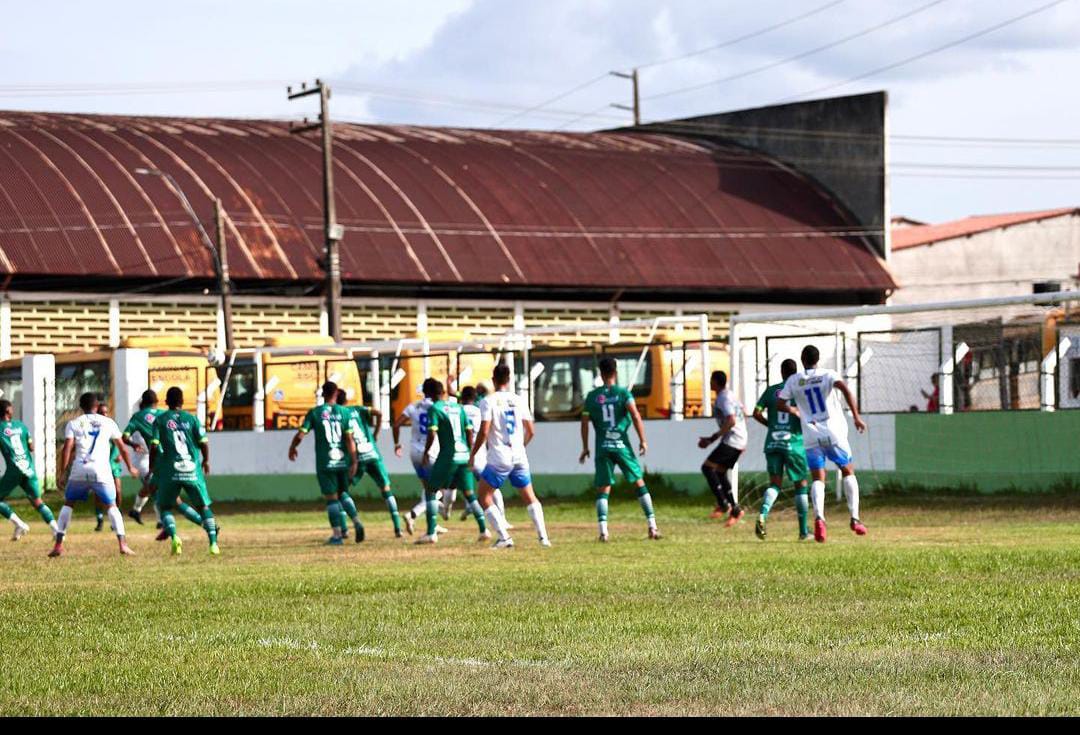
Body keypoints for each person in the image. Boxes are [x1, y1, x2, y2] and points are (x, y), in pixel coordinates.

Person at [777, 345, 868, 543]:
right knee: (847, 470)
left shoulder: (794, 380)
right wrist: (856, 417)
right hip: (833, 432)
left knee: (818, 478)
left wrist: (795, 411)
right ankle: (855, 518)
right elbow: (845, 390)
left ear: (802, 360)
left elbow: (780, 402)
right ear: (818, 359)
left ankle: (819, 518)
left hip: (811, 435)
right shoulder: (828, 375)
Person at [469, 364, 549, 548]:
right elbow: (531, 430)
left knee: (484, 496)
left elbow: (484, 431)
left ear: (493, 380)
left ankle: (504, 538)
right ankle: (543, 538)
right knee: (530, 496)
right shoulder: (519, 400)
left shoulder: (488, 401)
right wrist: (521, 446)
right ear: (509, 379)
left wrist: (474, 454)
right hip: (519, 454)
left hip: (499, 456)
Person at [580, 357, 660, 542]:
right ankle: (652, 527)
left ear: (600, 373)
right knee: (639, 482)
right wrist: (643, 440)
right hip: (622, 446)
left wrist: (585, 446)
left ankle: (603, 532)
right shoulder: (624, 393)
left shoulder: (592, 397)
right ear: (615, 372)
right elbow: (635, 415)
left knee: (603, 488)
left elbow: (584, 423)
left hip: (603, 447)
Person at [50, 392, 137, 557]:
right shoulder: (108, 422)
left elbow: (67, 448)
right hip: (101, 471)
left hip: (79, 470)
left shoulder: (74, 423)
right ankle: (123, 544)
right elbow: (122, 447)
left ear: (81, 407)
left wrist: (62, 473)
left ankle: (58, 545)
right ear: (96, 406)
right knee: (111, 505)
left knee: (69, 503)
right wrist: (131, 467)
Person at [149, 387, 219, 556]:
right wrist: (206, 461)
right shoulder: (192, 419)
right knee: (203, 506)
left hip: (170, 470)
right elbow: (203, 442)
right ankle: (213, 544)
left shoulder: (160, 420)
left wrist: (152, 466)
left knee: (164, 506)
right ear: (182, 402)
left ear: (166, 402)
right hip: (192, 469)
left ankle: (174, 537)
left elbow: (154, 445)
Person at [288, 381, 358, 546]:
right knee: (343, 494)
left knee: (332, 499)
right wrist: (354, 460)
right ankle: (356, 521)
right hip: (342, 461)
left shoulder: (315, 413)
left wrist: (292, 447)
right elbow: (349, 439)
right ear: (336, 393)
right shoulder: (345, 412)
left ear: (322, 394)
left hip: (325, 461)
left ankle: (337, 535)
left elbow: (301, 434)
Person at [419, 381, 488, 545]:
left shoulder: (435, 409)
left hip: (448, 456)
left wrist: (426, 452)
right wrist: (470, 452)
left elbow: (432, 433)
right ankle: (484, 529)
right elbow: (469, 431)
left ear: (428, 394)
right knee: (470, 494)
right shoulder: (458, 407)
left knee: (430, 490)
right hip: (463, 455)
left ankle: (430, 533)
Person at [751, 359, 811, 541]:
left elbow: (756, 412)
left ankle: (762, 514)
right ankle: (803, 532)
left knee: (775, 484)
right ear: (796, 372)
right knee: (800, 484)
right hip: (794, 443)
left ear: (781, 372)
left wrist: (771, 425)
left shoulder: (771, 390)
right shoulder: (800, 390)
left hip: (773, 442)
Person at [336, 388, 404, 538]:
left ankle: (344, 530)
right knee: (386, 489)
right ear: (346, 400)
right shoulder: (358, 409)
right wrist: (376, 434)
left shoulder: (338, 415)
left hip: (356, 456)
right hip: (372, 453)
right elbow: (379, 413)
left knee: (342, 491)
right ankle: (398, 528)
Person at [392, 379, 447, 537]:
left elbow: (396, 425)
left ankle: (433, 524)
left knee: (428, 489)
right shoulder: (438, 407)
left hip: (414, 452)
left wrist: (397, 444)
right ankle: (414, 514)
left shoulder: (413, 406)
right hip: (431, 451)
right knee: (439, 491)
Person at [0, 399, 58, 540]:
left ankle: (19, 524)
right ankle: (56, 530)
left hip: (14, 469)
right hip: (29, 469)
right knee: (37, 501)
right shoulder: (21, 426)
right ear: (8, 411)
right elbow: (31, 447)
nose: (13, 410)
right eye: (11, 408)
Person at [698, 371, 748, 527]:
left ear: (715, 382)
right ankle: (735, 509)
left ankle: (724, 504)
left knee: (707, 468)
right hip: (738, 439)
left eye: (711, 381)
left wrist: (713, 438)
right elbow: (743, 412)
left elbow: (732, 420)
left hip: (733, 440)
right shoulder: (731, 395)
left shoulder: (723, 398)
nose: (709, 384)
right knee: (719, 472)